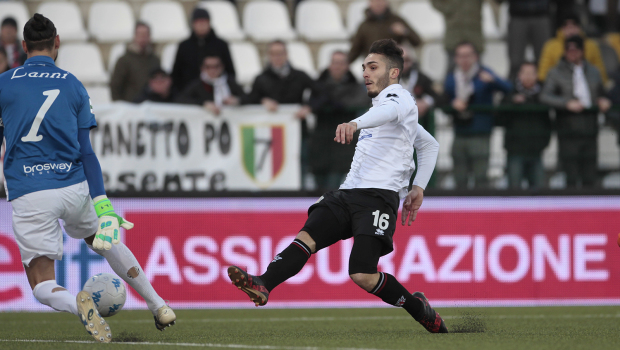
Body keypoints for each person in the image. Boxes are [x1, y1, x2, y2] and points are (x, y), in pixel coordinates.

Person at [227, 39, 447, 334]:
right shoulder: (386, 109)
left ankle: (418, 307)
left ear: (393, 73)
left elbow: (390, 114)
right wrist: (418, 187)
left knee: (362, 275)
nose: (365, 73)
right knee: (307, 237)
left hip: (378, 199)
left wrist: (356, 124)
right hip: (347, 193)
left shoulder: (399, 98)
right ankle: (264, 283)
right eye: (364, 67)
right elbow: (429, 144)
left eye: (373, 67)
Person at [0, 14, 176, 342]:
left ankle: (75, 304)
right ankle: (159, 304)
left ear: (23, 47)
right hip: (73, 186)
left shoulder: (4, 83)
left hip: (29, 190)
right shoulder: (72, 84)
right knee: (104, 241)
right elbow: (87, 151)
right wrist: (103, 202)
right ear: (57, 44)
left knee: (41, 282)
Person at [540, 35, 611, 188]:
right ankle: (572, 208)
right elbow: (545, 96)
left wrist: (603, 100)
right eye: (569, 50)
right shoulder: (556, 72)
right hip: (568, 126)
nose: (572, 53)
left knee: (590, 172)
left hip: (590, 126)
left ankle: (591, 208)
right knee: (570, 173)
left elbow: (601, 92)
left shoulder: (594, 71)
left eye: (575, 50)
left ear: (582, 51)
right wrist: (566, 103)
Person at [444, 42, 512, 189]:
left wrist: (494, 80)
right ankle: (459, 210)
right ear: (456, 58)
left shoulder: (484, 73)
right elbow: (443, 99)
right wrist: (452, 104)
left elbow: (508, 88)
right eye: (461, 56)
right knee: (459, 177)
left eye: (468, 56)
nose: (465, 60)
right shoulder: (452, 77)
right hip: (459, 132)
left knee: (481, 176)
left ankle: (481, 210)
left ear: (475, 57)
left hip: (481, 132)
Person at [308, 51, 368, 191]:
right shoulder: (318, 85)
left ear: (347, 66)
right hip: (321, 143)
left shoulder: (354, 86)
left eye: (341, 63)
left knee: (336, 186)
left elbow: (358, 102)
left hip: (344, 145)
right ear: (330, 65)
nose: (337, 66)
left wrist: (329, 101)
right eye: (335, 62)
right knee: (319, 186)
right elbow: (311, 104)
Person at [499, 62, 551, 189]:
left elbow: (548, 123)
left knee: (539, 192)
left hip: (536, 152)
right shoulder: (509, 93)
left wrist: (543, 144)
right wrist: (512, 104)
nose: (528, 77)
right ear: (519, 75)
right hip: (515, 152)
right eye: (525, 73)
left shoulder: (543, 96)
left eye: (531, 73)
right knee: (514, 191)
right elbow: (499, 120)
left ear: (536, 75)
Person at [171, 8, 235, 93]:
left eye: (204, 22)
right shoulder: (184, 46)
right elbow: (176, 74)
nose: (201, 25)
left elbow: (230, 72)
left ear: (209, 23)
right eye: (198, 22)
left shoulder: (221, 45)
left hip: (216, 93)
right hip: (189, 94)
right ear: (193, 24)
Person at [538, 14, 608, 84]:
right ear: (561, 29)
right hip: (560, 86)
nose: (571, 31)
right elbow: (543, 72)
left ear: (579, 28)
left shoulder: (591, 45)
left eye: (573, 26)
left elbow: (599, 70)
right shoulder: (551, 46)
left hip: (586, 85)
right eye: (567, 27)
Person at [348, 0, 422, 64]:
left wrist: (405, 32)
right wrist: (345, 63)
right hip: (373, 68)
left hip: (394, 67)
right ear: (370, 3)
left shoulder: (396, 20)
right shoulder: (364, 26)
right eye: (375, 0)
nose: (378, 3)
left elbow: (417, 41)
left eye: (381, 0)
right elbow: (355, 50)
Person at [495, 0, 552, 79]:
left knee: (544, 59)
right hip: (518, 14)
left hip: (541, 13)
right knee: (515, 60)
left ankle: (545, 87)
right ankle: (514, 86)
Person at [176, 56, 246, 115]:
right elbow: (180, 99)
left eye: (216, 66)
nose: (212, 70)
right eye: (208, 67)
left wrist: (237, 100)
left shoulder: (230, 83)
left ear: (222, 67)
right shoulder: (197, 85)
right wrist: (203, 104)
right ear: (202, 68)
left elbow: (248, 98)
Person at [110, 22, 160, 102]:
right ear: (134, 36)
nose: (143, 38)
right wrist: (118, 105)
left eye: (145, 34)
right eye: (140, 34)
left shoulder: (155, 59)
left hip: (152, 105)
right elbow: (115, 86)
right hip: (130, 106)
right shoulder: (124, 60)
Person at [400, 46, 437, 131]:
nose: (403, 65)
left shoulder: (422, 78)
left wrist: (426, 102)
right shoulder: (387, 81)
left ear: (412, 61)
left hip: (420, 128)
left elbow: (439, 96)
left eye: (406, 60)